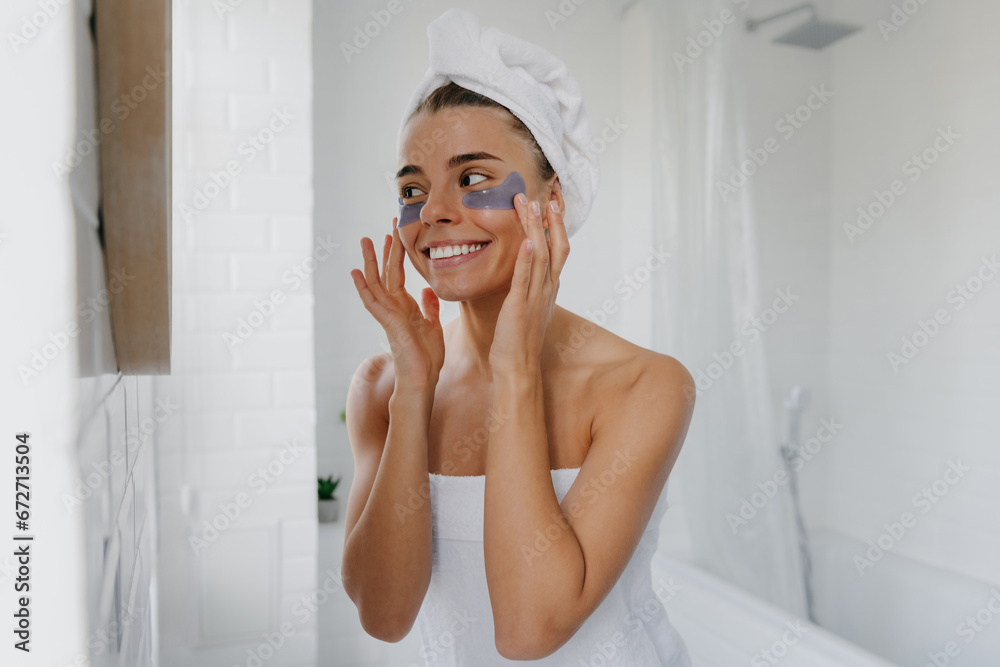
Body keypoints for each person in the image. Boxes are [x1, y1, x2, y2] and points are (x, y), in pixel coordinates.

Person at [342, 9, 695, 665]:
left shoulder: (643, 386)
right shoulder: (381, 387)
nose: (434, 211)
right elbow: (385, 617)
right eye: (413, 188)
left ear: (550, 200)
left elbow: (529, 631)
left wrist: (517, 372)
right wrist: (414, 391)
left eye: (473, 178)